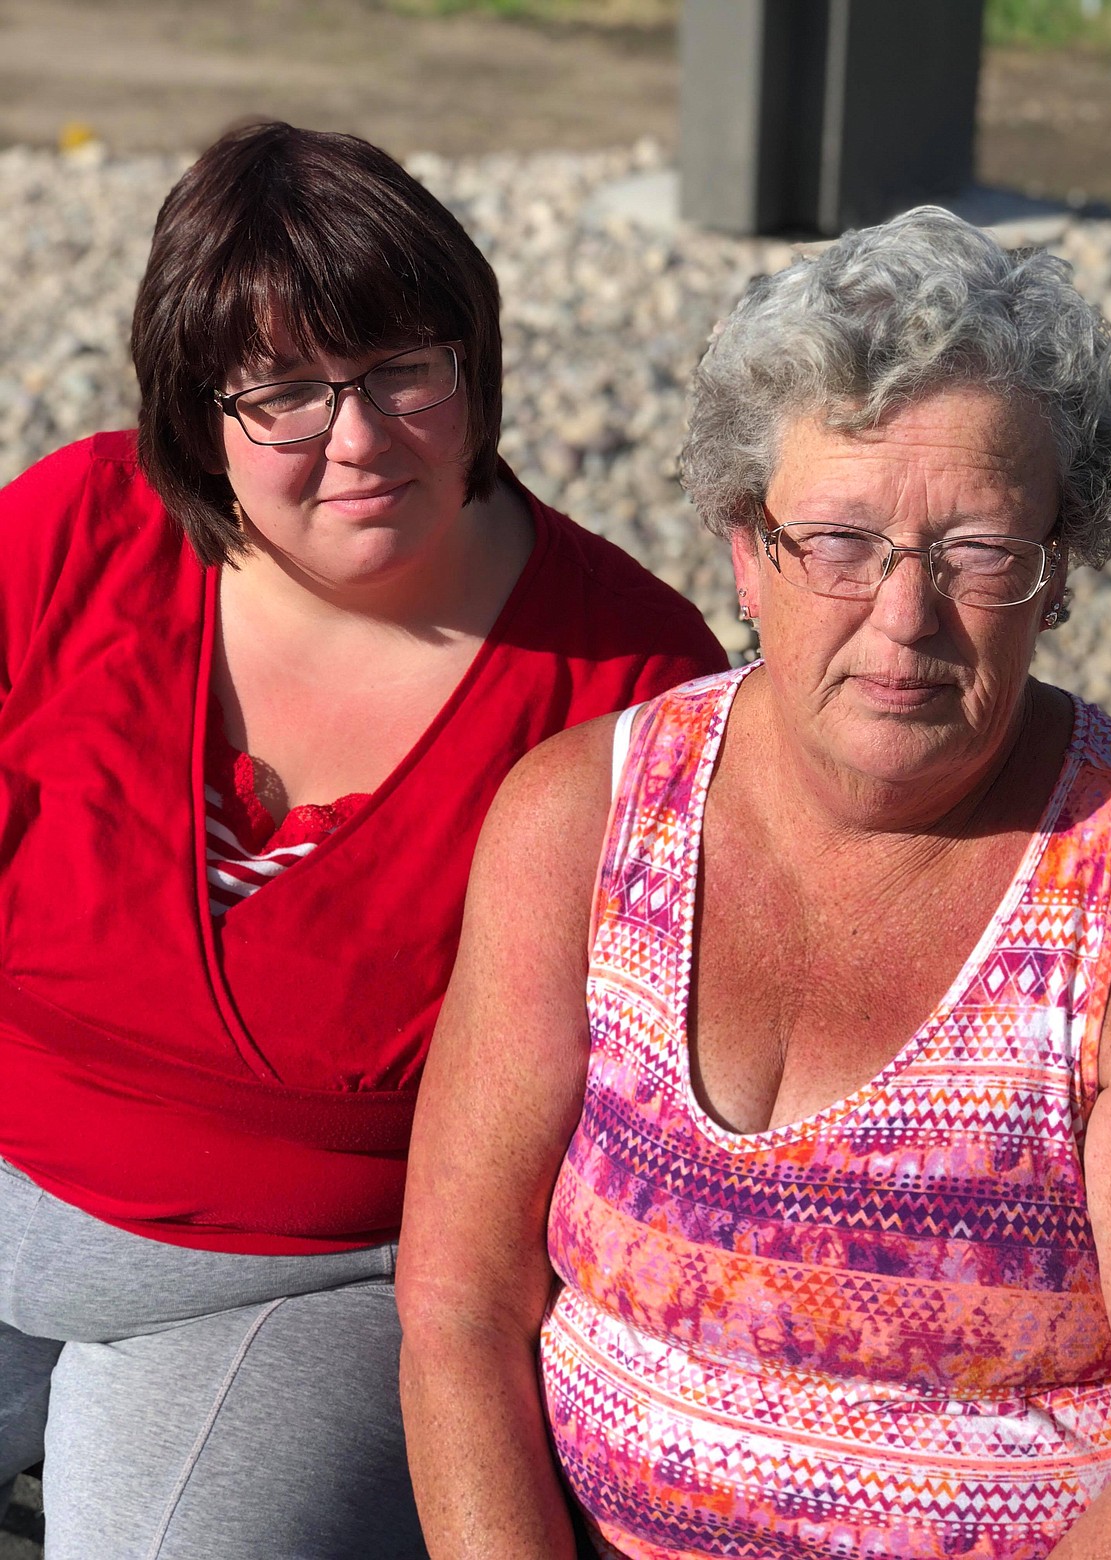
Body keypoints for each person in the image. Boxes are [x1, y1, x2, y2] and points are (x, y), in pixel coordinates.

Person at [0, 121, 727, 1559]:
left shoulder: (628, 681)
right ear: (194, 409)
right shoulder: (82, 528)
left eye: (401, 367)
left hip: (289, 1287)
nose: (357, 439)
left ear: (475, 358)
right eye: (283, 392)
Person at [397, 206, 1111, 1559]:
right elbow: (459, 1311)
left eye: (976, 549)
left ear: (1056, 577)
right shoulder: (580, 819)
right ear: (747, 551)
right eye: (840, 542)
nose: (904, 612)